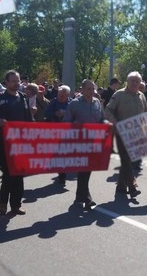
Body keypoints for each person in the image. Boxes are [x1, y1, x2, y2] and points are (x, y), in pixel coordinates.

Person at [0, 70, 33, 215]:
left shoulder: (23, 98)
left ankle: (16, 205)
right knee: (8, 174)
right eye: (13, 80)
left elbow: (28, 120)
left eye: (18, 80)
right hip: (4, 143)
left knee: (19, 174)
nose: (16, 83)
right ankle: (3, 202)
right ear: (6, 82)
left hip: (21, 142)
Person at [63, 79, 108, 210]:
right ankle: (87, 199)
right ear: (82, 90)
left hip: (93, 142)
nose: (92, 91)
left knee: (87, 170)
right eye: (89, 89)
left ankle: (79, 196)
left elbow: (101, 119)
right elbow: (66, 122)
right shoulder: (74, 104)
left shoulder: (97, 103)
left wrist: (106, 125)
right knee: (84, 169)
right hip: (79, 142)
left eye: (93, 89)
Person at [104, 71, 147, 198]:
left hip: (137, 133)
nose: (135, 83)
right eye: (132, 81)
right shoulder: (119, 95)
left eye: (137, 81)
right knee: (126, 159)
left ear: (140, 83)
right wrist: (116, 123)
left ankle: (121, 187)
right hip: (122, 132)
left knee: (128, 160)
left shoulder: (142, 96)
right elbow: (108, 110)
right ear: (127, 82)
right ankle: (132, 186)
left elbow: (146, 111)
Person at [45, 85, 72, 185]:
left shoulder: (72, 103)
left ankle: (63, 171)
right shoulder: (53, 102)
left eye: (63, 96)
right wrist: (55, 114)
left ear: (68, 95)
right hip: (55, 132)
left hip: (67, 132)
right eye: (60, 95)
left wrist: (66, 113)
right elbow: (46, 113)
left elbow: (75, 115)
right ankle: (62, 175)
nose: (61, 97)